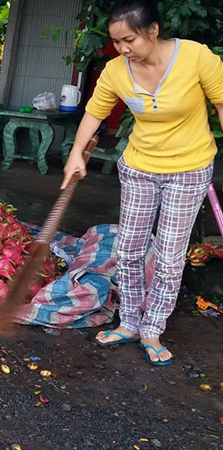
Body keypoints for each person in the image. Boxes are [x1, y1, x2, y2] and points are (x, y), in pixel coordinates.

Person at [62, 0, 223, 366]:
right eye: (116, 42)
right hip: (139, 167)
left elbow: (221, 103)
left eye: (129, 40)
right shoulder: (117, 70)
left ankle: (152, 328)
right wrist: (75, 154)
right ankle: (131, 322)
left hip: (189, 168)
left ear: (153, 30)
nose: (122, 49)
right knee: (130, 250)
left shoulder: (197, 58)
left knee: (168, 258)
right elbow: (94, 112)